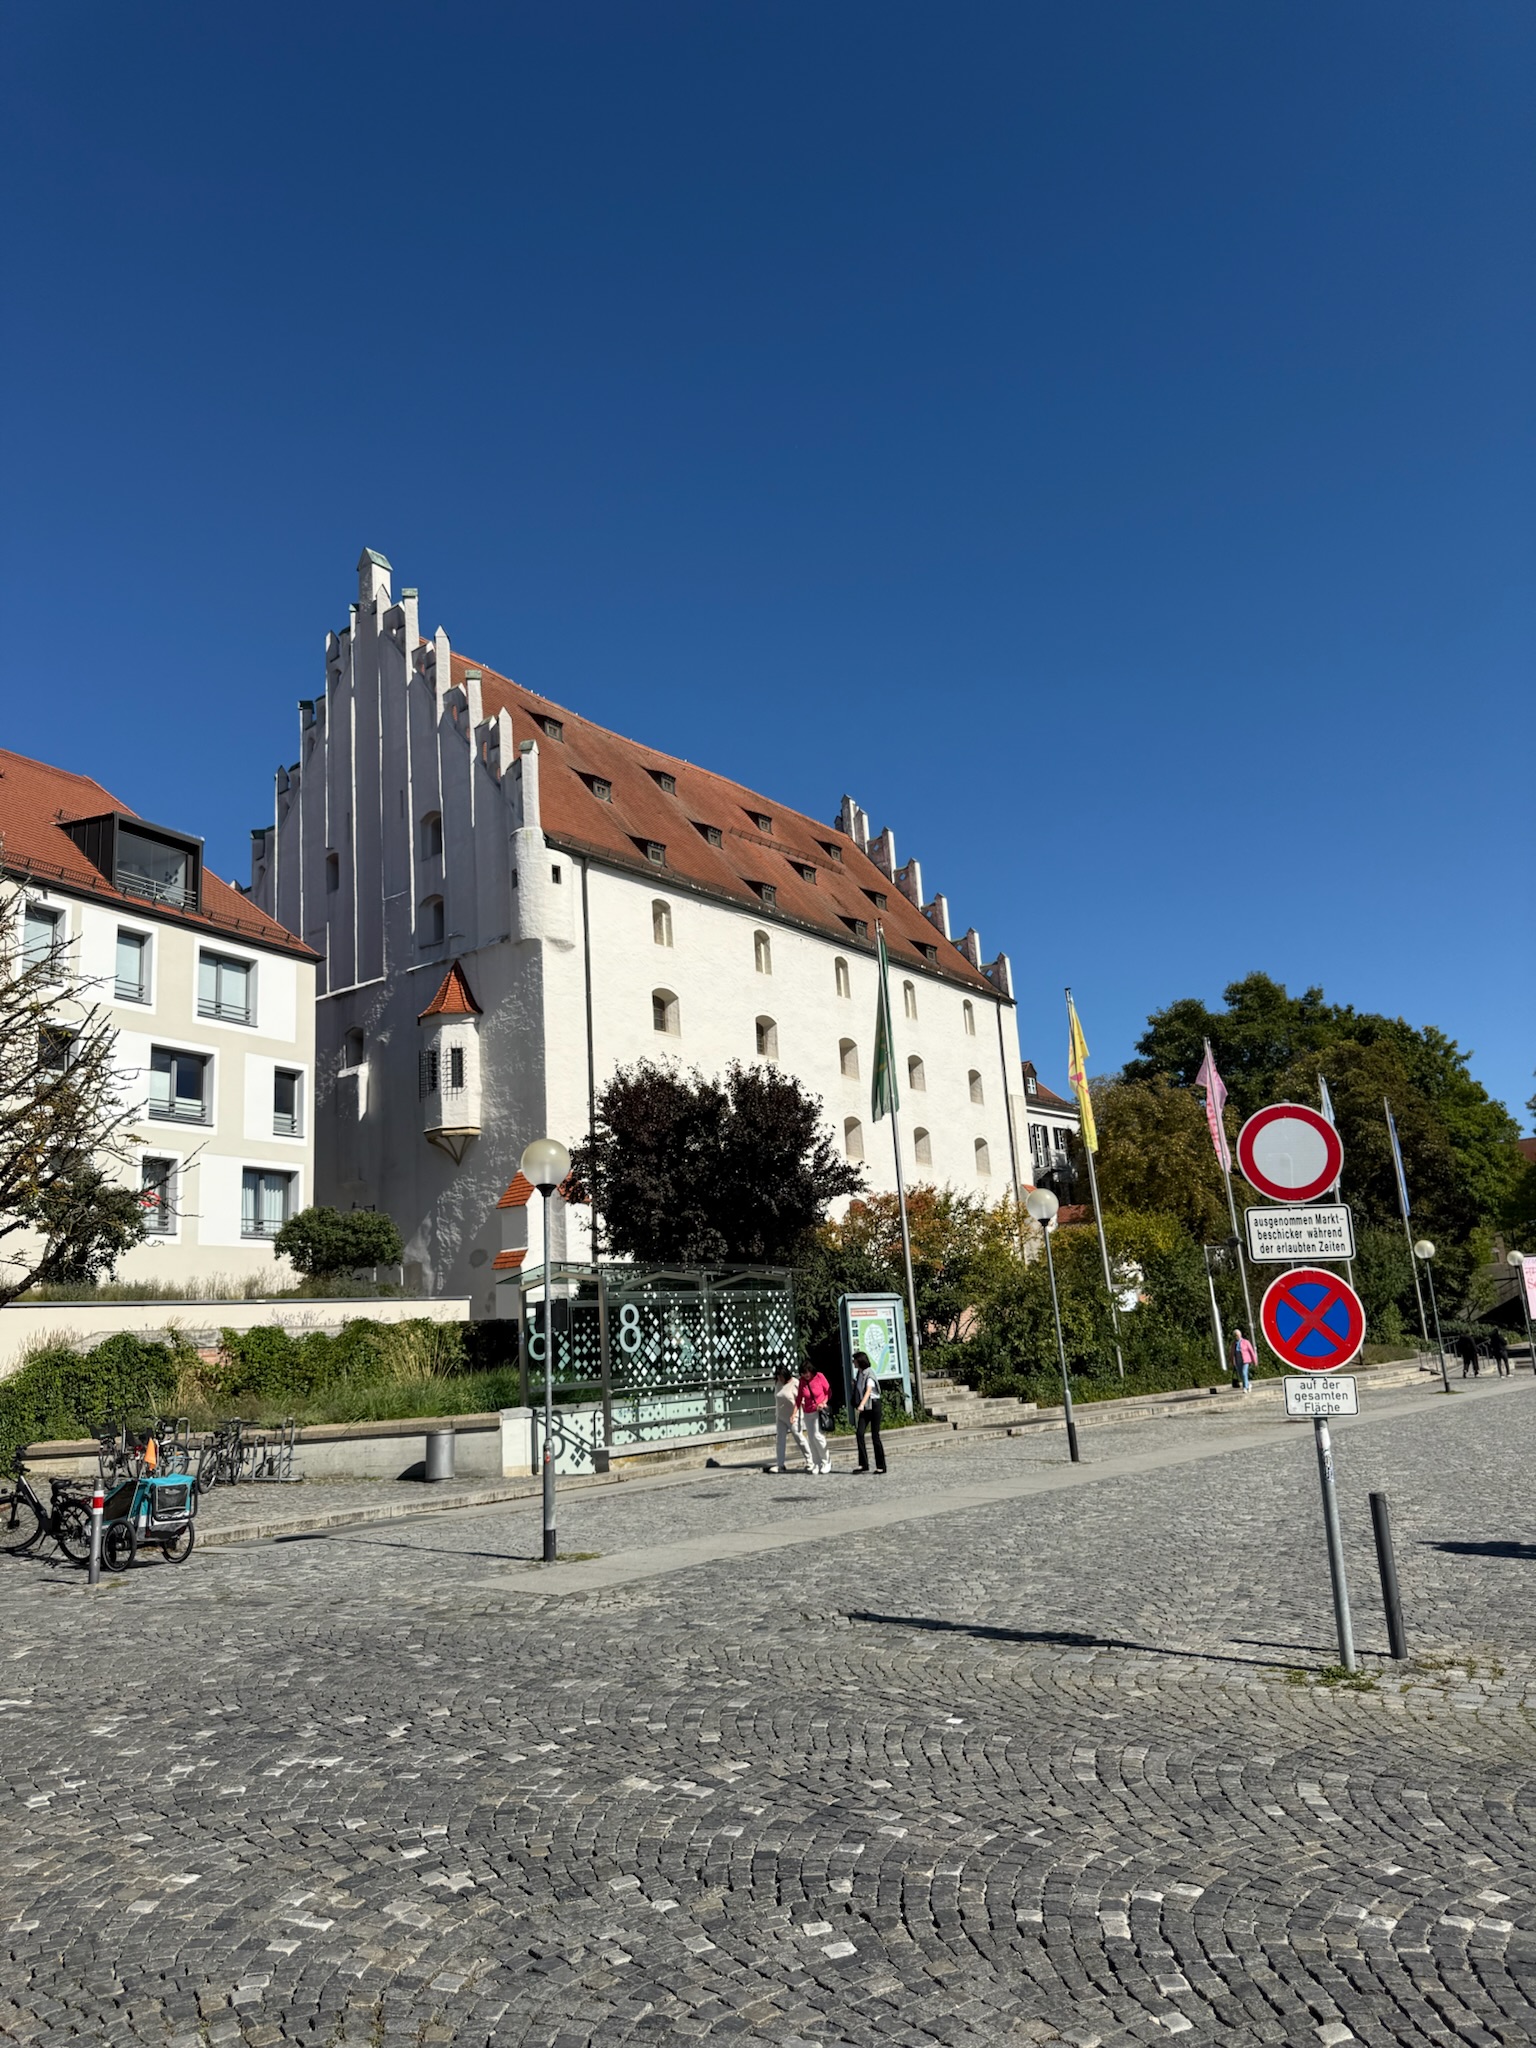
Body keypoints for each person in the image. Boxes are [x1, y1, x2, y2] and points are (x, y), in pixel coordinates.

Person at [851, 1348, 887, 1475]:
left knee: (875, 1436)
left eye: (854, 1360)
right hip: (865, 1407)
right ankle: (863, 1464)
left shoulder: (869, 1373)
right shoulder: (859, 1374)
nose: (853, 1363)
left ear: (860, 1361)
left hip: (873, 1405)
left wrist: (861, 1404)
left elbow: (868, 1391)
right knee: (859, 1433)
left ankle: (881, 1466)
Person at [767, 1363, 808, 1473]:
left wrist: (797, 1414)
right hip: (781, 1416)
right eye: (778, 1376)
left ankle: (810, 1461)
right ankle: (780, 1465)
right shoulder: (778, 1383)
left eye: (781, 1376)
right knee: (780, 1441)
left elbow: (800, 1401)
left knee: (799, 1438)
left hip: (793, 1416)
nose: (780, 1379)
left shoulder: (795, 1383)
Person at [796, 1361, 833, 1475]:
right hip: (807, 1412)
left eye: (807, 1373)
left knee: (818, 1436)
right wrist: (795, 1411)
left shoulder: (819, 1376)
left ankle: (826, 1461)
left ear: (811, 1371)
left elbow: (828, 1391)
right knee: (811, 1439)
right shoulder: (802, 1381)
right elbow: (799, 1396)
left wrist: (823, 1402)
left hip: (818, 1410)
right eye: (803, 1373)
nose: (805, 1375)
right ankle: (816, 1463)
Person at [1229, 1327, 1255, 1393]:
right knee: (1241, 1374)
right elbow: (1232, 1353)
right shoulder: (1233, 1344)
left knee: (1244, 1373)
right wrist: (1232, 1361)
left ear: (1240, 1335)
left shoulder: (1246, 1342)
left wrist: (1254, 1360)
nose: (1236, 1336)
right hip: (1238, 1361)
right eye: (1235, 1335)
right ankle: (1248, 1384)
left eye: (1237, 1335)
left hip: (1245, 1360)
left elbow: (1251, 1351)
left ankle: (1245, 1387)